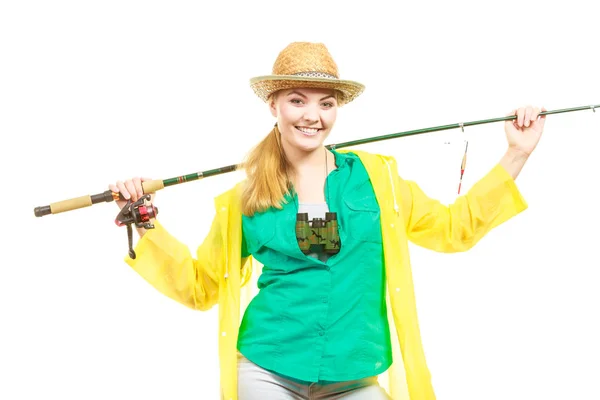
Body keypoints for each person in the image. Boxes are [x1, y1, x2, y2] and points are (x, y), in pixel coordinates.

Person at [109, 42, 546, 400]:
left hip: (354, 375)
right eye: (297, 100)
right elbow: (201, 286)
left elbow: (454, 229)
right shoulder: (243, 198)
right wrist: (145, 220)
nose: (312, 116)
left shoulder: (379, 181)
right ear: (274, 105)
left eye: (326, 103)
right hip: (268, 370)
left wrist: (517, 153)